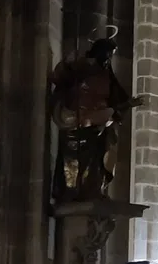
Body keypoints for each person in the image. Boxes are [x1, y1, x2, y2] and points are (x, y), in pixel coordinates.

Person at [48, 31, 145, 200]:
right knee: (75, 161)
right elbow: (60, 79)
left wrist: (127, 105)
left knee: (99, 159)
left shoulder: (106, 73)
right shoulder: (80, 67)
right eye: (108, 54)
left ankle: (94, 189)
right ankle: (72, 192)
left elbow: (116, 98)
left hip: (99, 124)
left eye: (111, 55)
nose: (109, 58)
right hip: (77, 122)